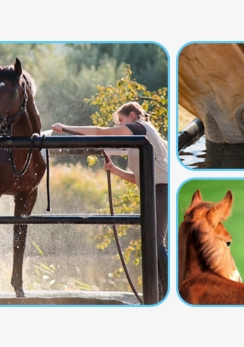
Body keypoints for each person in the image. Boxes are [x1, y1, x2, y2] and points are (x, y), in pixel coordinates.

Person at [52, 101, 169, 299]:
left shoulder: (138, 127)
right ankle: (159, 291)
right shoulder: (144, 135)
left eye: (121, 121)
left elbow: (99, 131)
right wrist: (115, 170)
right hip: (155, 191)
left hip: (160, 191)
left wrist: (65, 128)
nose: (120, 126)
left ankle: (164, 292)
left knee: (156, 241)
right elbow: (139, 178)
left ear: (132, 116)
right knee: (153, 241)